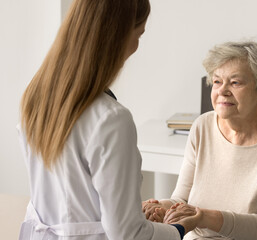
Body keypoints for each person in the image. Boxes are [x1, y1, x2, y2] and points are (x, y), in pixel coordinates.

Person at [17, 0, 201, 239]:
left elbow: (73, 193)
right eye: (139, 35)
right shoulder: (111, 120)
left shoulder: (37, 97)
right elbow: (127, 234)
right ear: (118, 38)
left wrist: (128, 209)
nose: (136, 47)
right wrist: (179, 229)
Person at [142, 41, 257, 240]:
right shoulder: (202, 126)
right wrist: (161, 208)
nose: (222, 91)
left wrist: (203, 218)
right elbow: (180, 200)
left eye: (235, 83)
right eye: (217, 81)